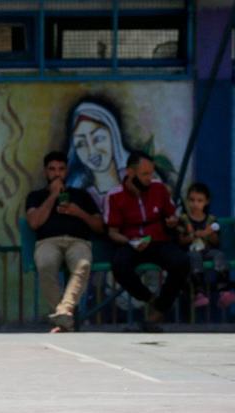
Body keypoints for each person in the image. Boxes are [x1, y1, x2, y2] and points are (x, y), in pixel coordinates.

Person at [105, 152, 189, 332]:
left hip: (157, 240)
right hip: (130, 241)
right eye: (144, 174)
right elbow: (112, 232)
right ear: (130, 172)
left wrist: (172, 221)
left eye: (151, 173)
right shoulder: (115, 195)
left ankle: (160, 309)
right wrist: (129, 241)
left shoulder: (158, 189)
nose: (149, 178)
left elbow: (171, 214)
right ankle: (150, 299)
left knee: (181, 262)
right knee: (119, 265)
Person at [25, 151, 104, 332]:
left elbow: (99, 226)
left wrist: (79, 212)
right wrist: (53, 196)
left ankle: (63, 311)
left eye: (61, 169)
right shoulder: (36, 196)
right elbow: (34, 222)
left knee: (82, 264)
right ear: (46, 172)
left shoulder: (81, 195)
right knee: (45, 264)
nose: (57, 173)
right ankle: (64, 317)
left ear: (66, 171)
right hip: (48, 242)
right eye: (52, 169)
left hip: (77, 241)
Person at [177, 183, 235, 309]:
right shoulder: (183, 219)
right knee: (194, 257)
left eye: (199, 201)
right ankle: (199, 292)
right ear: (187, 201)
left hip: (207, 250)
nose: (195, 204)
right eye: (192, 200)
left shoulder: (211, 220)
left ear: (206, 202)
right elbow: (181, 241)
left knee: (219, 255)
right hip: (190, 251)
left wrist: (209, 234)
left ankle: (224, 290)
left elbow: (216, 243)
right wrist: (193, 235)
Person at [65, 101, 131, 209]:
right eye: (81, 144)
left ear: (113, 136)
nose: (92, 151)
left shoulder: (137, 176)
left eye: (98, 138)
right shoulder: (78, 193)